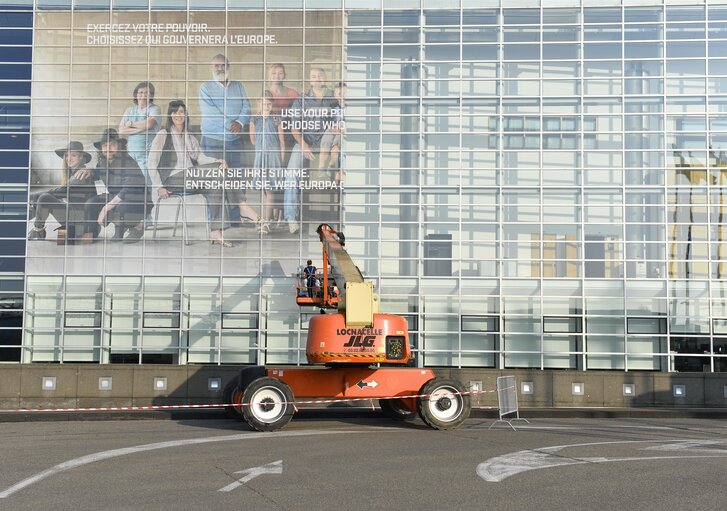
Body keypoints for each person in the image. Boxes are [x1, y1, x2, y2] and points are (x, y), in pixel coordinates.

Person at [147, 100, 230, 247]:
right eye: (175, 112)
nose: (178, 115)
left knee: (217, 184)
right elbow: (151, 162)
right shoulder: (163, 134)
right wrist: (158, 186)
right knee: (216, 174)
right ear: (170, 115)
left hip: (191, 178)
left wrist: (217, 161)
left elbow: (200, 157)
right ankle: (241, 207)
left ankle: (215, 230)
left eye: (181, 112)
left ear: (186, 114)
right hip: (173, 179)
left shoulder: (190, 137)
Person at [198, 53, 260, 224]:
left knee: (236, 179)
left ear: (228, 67)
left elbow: (247, 106)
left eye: (223, 65)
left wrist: (240, 122)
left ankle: (236, 218)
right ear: (212, 68)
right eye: (216, 66)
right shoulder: (205, 87)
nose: (219, 68)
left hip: (235, 140)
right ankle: (215, 223)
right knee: (215, 182)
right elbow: (211, 113)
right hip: (213, 140)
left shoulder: (238, 86)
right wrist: (230, 124)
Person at [284, 67, 338, 234]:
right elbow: (293, 127)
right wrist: (303, 144)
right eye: (314, 76)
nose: (317, 79)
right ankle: (292, 218)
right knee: (292, 173)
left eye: (320, 76)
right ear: (310, 80)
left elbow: (339, 124)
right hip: (304, 142)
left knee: (343, 165)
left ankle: (345, 214)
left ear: (325, 78)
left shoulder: (334, 98)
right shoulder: (301, 99)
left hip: (326, 144)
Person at [84, 128, 149, 243]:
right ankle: (93, 231)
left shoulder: (128, 162)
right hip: (116, 198)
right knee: (91, 203)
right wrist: (91, 171)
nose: (108, 149)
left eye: (112, 145)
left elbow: (127, 190)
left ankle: (137, 227)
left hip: (137, 200)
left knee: (122, 206)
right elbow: (97, 177)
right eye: (105, 145)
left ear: (119, 146)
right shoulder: (103, 163)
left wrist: (105, 208)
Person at [27, 141, 96, 241]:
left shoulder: (81, 175)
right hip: (75, 217)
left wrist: (30, 198)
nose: (69, 158)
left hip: (83, 224)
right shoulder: (74, 173)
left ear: (81, 157)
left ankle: (37, 230)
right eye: (67, 155)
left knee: (44, 198)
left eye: (73, 155)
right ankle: (30, 227)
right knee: (43, 199)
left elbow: (59, 192)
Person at [249, 91, 286, 234]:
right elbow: (253, 139)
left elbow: (282, 142)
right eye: (263, 103)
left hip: (273, 158)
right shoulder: (254, 120)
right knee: (265, 191)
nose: (266, 106)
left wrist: (280, 162)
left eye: (269, 104)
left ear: (272, 105)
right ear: (259, 104)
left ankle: (266, 223)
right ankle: (272, 215)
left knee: (269, 190)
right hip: (260, 157)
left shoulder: (277, 119)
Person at [118, 81, 162, 188]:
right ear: (136, 94)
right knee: (130, 182)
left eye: (147, 93)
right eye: (140, 92)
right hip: (130, 155)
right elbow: (121, 130)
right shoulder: (129, 110)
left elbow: (149, 123)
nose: (143, 95)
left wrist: (131, 124)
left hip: (146, 155)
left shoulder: (154, 109)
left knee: (147, 182)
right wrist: (140, 129)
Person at [318, 81, 346, 182]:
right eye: (339, 94)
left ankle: (331, 165)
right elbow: (325, 120)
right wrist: (330, 126)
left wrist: (341, 130)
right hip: (332, 129)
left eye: (344, 94)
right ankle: (321, 167)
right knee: (326, 140)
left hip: (341, 132)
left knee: (336, 146)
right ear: (335, 95)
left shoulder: (350, 108)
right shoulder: (333, 106)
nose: (342, 97)